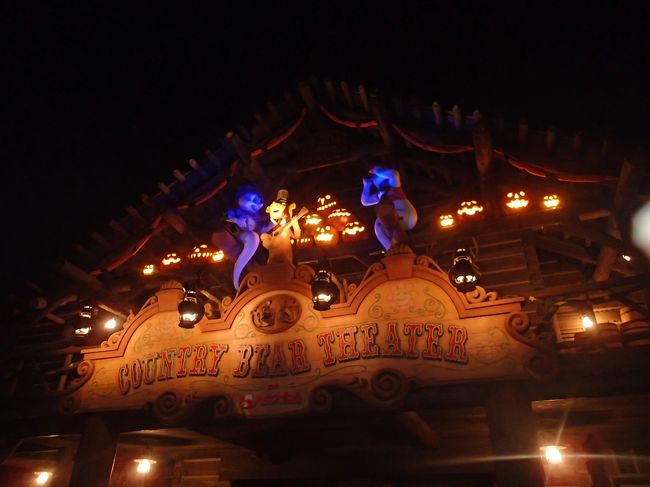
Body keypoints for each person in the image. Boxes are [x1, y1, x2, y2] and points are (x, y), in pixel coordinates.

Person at [361, 165, 418, 250]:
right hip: (399, 218)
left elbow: (394, 174)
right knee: (379, 224)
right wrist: (367, 186)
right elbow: (365, 202)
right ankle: (391, 250)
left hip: (407, 215)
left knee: (382, 218)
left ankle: (393, 249)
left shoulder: (394, 186)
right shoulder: (380, 195)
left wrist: (378, 171)